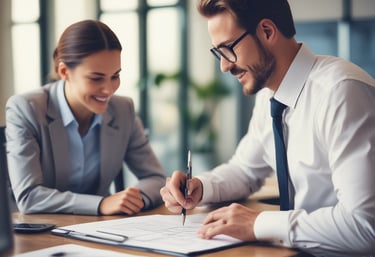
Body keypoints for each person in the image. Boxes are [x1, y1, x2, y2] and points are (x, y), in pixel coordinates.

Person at [160, 0, 375, 255]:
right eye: (218, 53)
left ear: (267, 31)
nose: (224, 66)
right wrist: (199, 187)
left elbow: (364, 227)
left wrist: (257, 223)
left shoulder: (341, 92)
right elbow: (244, 170)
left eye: (228, 49)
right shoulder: (269, 97)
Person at [6, 20, 166, 216]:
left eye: (115, 76)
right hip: (36, 231)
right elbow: (29, 196)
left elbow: (156, 178)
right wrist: (100, 204)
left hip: (98, 229)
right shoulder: (26, 109)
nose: (108, 89)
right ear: (64, 71)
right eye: (96, 78)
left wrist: (133, 199)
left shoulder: (124, 110)